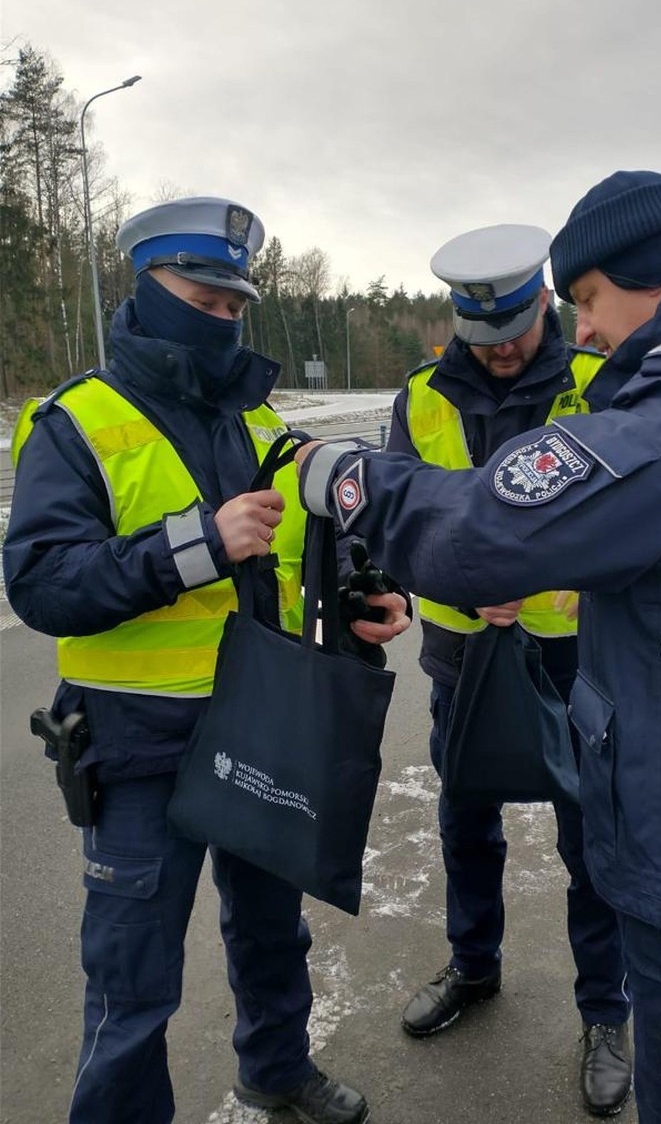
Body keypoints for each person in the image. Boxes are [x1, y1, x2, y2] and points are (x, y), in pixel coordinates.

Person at [295, 171, 661, 1124]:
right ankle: (480, 966)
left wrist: (349, 481)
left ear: (647, 278)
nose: (585, 330)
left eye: (587, 300)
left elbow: (492, 527)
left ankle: (607, 1018)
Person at [3, 196, 410, 1124]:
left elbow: (314, 548)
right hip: (135, 742)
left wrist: (367, 598)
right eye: (204, 299)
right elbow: (41, 585)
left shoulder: (255, 423)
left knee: (273, 931)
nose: (224, 321)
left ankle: (277, 1071)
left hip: (260, 720)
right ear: (145, 289)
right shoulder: (74, 421)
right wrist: (191, 546)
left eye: (236, 308)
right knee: (132, 977)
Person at [382, 223, 631, 1116]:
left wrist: (539, 572)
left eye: (515, 334)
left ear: (544, 308)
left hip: (579, 661)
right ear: (459, 324)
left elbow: (638, 519)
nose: (500, 353)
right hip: (464, 661)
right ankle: (474, 966)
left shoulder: (606, 383)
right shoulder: (420, 399)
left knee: (593, 842)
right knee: (466, 824)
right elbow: (396, 522)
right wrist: (453, 573)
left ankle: (607, 1013)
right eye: (481, 339)